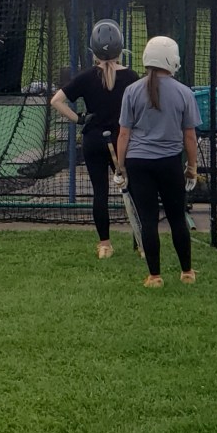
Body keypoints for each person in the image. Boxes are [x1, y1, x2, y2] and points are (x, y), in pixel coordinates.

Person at [50, 19, 140, 259]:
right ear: (120, 48)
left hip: (94, 141)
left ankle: (105, 245)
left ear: (94, 50)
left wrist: (79, 119)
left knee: (100, 193)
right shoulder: (131, 77)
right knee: (133, 191)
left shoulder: (87, 77)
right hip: (122, 141)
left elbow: (56, 101)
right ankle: (141, 244)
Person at [116, 36, 199, 288]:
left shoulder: (132, 91)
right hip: (169, 163)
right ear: (172, 60)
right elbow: (189, 136)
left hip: (138, 163)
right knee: (177, 218)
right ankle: (187, 272)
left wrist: (120, 167)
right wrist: (192, 167)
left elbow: (124, 134)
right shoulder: (184, 92)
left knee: (148, 220)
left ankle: (154, 276)